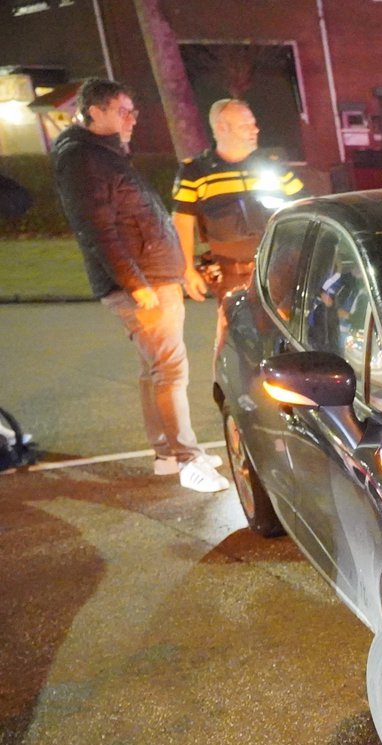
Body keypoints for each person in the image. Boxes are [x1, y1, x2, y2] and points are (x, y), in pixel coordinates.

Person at [52, 78, 228, 493]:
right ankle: (188, 459)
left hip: (152, 276)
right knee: (170, 370)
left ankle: (167, 455)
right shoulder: (83, 158)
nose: (132, 119)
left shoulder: (101, 154)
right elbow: (97, 228)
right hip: (144, 282)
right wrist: (136, 284)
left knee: (155, 370)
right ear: (94, 112)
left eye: (133, 111)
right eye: (122, 111)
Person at [173, 98, 304, 362]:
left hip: (278, 266)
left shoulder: (272, 165)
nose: (255, 130)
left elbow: (304, 205)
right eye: (246, 125)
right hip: (232, 272)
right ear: (222, 128)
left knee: (287, 333)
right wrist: (186, 269)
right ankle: (232, 382)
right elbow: (182, 220)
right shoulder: (196, 171)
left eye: (253, 124)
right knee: (235, 337)